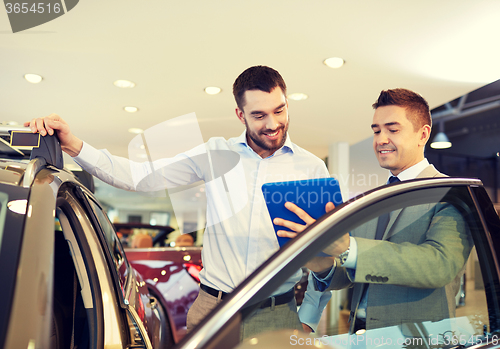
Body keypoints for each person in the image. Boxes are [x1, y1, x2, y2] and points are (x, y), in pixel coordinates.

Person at [26, 65, 332, 338]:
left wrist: (309, 317)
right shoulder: (216, 154)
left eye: (279, 110)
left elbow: (327, 250)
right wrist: (75, 145)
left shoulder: (311, 169)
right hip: (213, 310)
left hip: (276, 315)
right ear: (240, 115)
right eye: (259, 115)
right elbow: (140, 176)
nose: (272, 123)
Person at [274, 88, 473, 333]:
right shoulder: (375, 200)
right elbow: (351, 275)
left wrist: (348, 247)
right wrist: (317, 261)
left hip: (416, 339)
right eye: (376, 130)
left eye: (393, 129)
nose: (380, 139)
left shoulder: (451, 193)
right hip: (360, 336)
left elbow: (439, 265)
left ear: (423, 135)